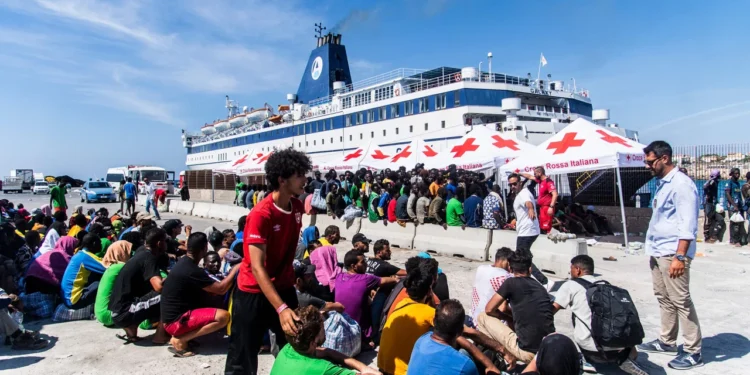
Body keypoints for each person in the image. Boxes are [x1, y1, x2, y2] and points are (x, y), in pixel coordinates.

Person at [225, 148, 311, 375]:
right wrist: (281, 308)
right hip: (252, 291)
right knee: (242, 354)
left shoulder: (298, 207)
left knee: (295, 345)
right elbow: (256, 266)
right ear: (282, 180)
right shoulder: (261, 215)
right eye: (299, 174)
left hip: (282, 287)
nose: (305, 179)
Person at [637, 140, 703, 370]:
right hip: (658, 250)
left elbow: (688, 224)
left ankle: (693, 350)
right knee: (663, 297)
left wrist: (680, 257)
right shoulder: (664, 183)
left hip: (672, 253)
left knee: (681, 300)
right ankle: (667, 340)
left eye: (650, 162)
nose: (647, 166)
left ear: (664, 158)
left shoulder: (681, 185)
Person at [551, 255, 648, 374]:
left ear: (577, 270)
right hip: (619, 343)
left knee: (566, 334)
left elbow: (552, 310)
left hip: (593, 348)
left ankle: (588, 361)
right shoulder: (605, 285)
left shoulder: (570, 285)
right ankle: (625, 358)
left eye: (571, 268)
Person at [161, 232, 239, 357]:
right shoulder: (191, 269)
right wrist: (235, 269)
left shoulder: (184, 263)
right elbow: (221, 289)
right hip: (175, 322)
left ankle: (184, 337)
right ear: (204, 248)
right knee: (223, 316)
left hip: (172, 317)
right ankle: (181, 340)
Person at [480, 251, 555, 365]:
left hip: (527, 353)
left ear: (510, 268)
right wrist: (510, 317)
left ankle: (500, 357)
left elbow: (489, 309)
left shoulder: (510, 282)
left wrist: (507, 317)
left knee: (483, 317)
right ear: (530, 269)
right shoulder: (540, 288)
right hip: (547, 351)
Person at [269, 305, 380, 375]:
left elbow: (327, 351)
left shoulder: (288, 348)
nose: (325, 328)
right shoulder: (322, 368)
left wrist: (363, 367)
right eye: (323, 327)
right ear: (313, 342)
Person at [109, 227, 169, 344]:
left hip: (116, 310)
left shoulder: (141, 251)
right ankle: (160, 336)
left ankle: (131, 329)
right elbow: (159, 287)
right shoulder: (149, 257)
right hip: (124, 312)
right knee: (169, 295)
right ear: (159, 243)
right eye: (165, 241)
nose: (166, 244)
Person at [335, 250, 398, 346]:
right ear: (353, 266)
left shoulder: (339, 277)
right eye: (362, 262)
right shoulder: (365, 279)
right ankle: (375, 335)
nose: (366, 265)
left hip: (341, 324)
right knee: (384, 290)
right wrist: (395, 279)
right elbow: (384, 280)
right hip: (360, 331)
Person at [406, 299, 479, 375]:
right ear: (460, 332)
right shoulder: (465, 364)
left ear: (434, 321)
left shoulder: (421, 340)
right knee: (464, 353)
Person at [61, 233, 106, 309]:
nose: (101, 245)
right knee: (106, 281)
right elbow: (107, 268)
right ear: (94, 243)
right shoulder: (85, 257)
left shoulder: (80, 254)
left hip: (68, 299)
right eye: (100, 243)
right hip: (74, 300)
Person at [94, 240, 134, 326]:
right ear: (121, 252)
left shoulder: (111, 268)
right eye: (128, 251)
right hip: (110, 314)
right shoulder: (121, 267)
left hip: (101, 314)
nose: (131, 254)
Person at [469, 247, 512, 325]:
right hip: (491, 322)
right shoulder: (504, 276)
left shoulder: (481, 268)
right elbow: (503, 308)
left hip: (474, 318)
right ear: (506, 262)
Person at [520, 167, 558, 234]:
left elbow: (555, 194)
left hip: (547, 207)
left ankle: (550, 239)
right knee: (542, 226)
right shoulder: (540, 181)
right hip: (542, 207)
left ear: (540, 173)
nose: (534, 175)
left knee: (547, 226)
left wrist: (551, 207)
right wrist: (519, 174)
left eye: (535, 173)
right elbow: (530, 176)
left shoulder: (548, 181)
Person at [725, 167, 745, 246]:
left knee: (739, 223)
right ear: (732, 174)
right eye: (736, 173)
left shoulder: (738, 183)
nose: (738, 175)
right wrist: (734, 205)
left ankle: (736, 239)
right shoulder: (729, 183)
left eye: (738, 173)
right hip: (732, 207)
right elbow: (727, 194)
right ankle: (734, 240)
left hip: (739, 206)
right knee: (734, 223)